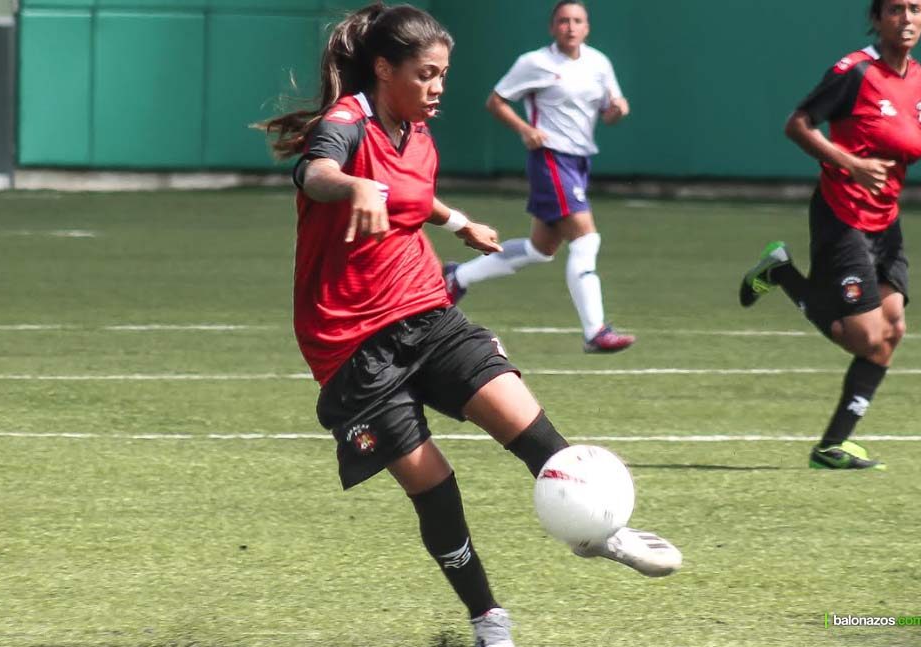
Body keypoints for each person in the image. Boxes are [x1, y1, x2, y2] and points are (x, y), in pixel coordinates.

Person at [261, 4, 681, 645]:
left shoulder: (418, 134)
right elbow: (315, 172)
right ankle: (488, 618)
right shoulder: (346, 121)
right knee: (433, 486)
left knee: (526, 424)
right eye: (425, 74)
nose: (437, 88)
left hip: (425, 310)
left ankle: (600, 531)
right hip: (351, 345)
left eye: (443, 75)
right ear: (384, 69)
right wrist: (353, 186)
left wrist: (458, 223)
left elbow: (411, 192)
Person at [738, 0, 921, 469]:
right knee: (864, 338)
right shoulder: (854, 72)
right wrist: (849, 163)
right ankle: (780, 273)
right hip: (842, 216)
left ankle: (831, 447)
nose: (906, 19)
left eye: (915, 9)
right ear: (876, 19)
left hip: (885, 224)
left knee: (893, 330)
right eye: (895, 10)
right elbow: (797, 125)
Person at [443, 0, 635, 353]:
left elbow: (609, 113)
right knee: (586, 239)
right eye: (563, 20)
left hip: (579, 161)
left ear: (587, 28)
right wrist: (525, 129)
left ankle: (458, 277)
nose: (570, 27)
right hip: (550, 158)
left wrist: (617, 111)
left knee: (540, 249)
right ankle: (595, 332)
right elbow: (496, 101)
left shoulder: (599, 63)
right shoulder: (535, 62)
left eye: (577, 21)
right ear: (552, 27)